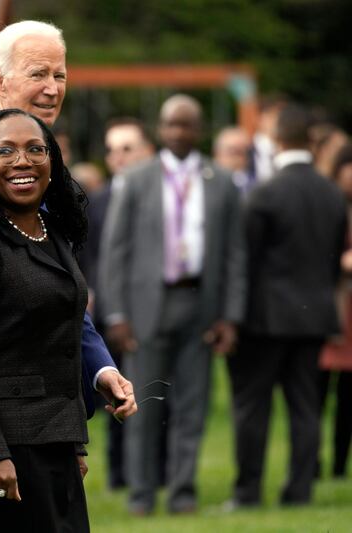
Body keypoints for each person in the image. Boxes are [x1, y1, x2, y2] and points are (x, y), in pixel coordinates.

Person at [0, 19, 134, 431]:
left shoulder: (44, 153)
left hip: (48, 401)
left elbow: (58, 281)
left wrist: (99, 367)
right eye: (38, 73)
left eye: (60, 75)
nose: (53, 88)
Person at [0, 108, 136, 532]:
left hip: (47, 433)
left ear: (53, 161)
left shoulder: (52, 230)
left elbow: (58, 339)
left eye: (35, 149)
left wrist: (72, 438)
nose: (22, 161)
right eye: (5, 151)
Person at [100, 94, 246, 515]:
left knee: (192, 407)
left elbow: (236, 255)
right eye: (171, 124)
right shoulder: (138, 178)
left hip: (200, 303)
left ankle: (183, 493)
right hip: (147, 308)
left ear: (200, 131)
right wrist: (117, 315)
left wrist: (230, 316)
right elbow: (115, 251)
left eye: (187, 125)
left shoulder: (221, 181)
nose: (179, 132)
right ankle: (141, 495)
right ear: (161, 130)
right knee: (142, 406)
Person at [228, 104, 347, 508]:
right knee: (306, 409)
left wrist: (233, 316)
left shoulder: (265, 193)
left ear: (277, 138)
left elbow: (246, 259)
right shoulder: (332, 193)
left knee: (251, 408)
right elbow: (333, 257)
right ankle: (299, 491)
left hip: (264, 319)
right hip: (315, 316)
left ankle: (247, 493)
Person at [79, 117, 155, 491]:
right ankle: (119, 474)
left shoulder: (162, 198)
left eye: (127, 148)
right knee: (116, 389)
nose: (118, 157)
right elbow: (89, 256)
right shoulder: (99, 201)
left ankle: (159, 470)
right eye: (112, 150)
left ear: (147, 151)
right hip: (110, 312)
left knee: (158, 391)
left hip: (156, 309)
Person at [319, 142, 352, 479]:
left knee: (347, 397)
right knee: (316, 390)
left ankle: (341, 465)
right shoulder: (327, 203)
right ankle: (311, 462)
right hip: (332, 306)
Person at [214, 126, 253, 194]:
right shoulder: (206, 184)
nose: (236, 159)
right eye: (232, 152)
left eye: (240, 152)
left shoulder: (256, 185)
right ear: (217, 153)